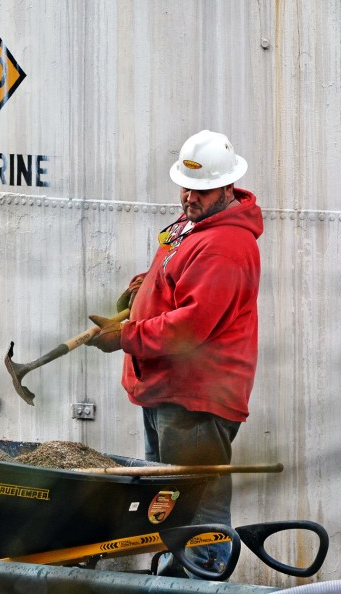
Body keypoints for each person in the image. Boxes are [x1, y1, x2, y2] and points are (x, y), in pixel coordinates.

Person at [91, 129, 263, 576]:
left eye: (202, 190)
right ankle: (176, 576)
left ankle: (201, 581)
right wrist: (143, 286)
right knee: (168, 504)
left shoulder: (226, 246)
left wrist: (128, 337)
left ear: (227, 188)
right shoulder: (196, 225)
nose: (189, 196)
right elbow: (174, 267)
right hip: (170, 391)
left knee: (197, 512)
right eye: (186, 186)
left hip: (197, 400)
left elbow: (190, 327)